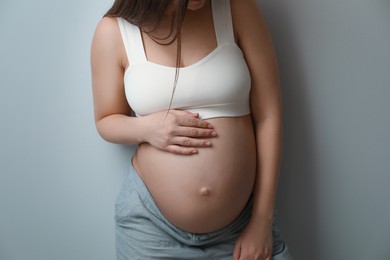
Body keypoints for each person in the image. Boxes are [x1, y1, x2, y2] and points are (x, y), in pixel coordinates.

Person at [91, 0, 293, 259]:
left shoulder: (236, 8)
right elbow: (105, 120)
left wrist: (262, 223)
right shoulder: (113, 31)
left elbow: (269, 115)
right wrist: (147, 128)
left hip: (241, 230)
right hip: (151, 234)